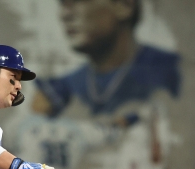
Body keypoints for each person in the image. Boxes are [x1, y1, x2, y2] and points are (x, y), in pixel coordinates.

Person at [33, 0, 180, 117]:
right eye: (63, 3)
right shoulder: (64, 88)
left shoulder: (173, 73)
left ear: (124, 5)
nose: (64, 15)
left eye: (78, 1)